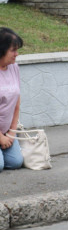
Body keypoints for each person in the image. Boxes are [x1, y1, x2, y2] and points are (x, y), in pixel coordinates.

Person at [0, 28, 24, 171]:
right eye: (13, 50)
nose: (17, 54)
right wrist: (1, 138)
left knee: (16, 162)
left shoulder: (14, 67)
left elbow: (16, 103)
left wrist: (11, 132)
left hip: (6, 130)